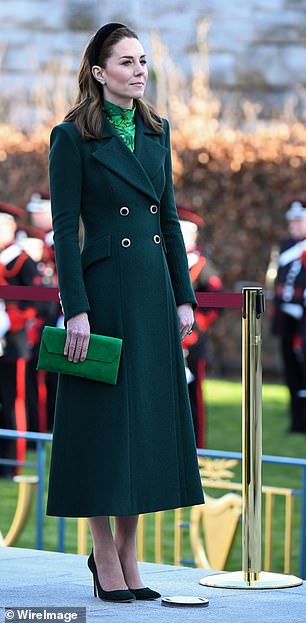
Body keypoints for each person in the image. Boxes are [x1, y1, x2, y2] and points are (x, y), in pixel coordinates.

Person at [46, 23, 204, 603]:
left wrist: (183, 295)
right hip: (103, 293)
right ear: (99, 70)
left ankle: (130, 554)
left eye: (144, 61)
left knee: (141, 426)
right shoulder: (70, 136)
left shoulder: (158, 131)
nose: (140, 71)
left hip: (153, 293)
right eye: (127, 61)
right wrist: (76, 309)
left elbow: (167, 220)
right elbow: (64, 232)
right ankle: (103, 554)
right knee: (100, 425)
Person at [0, 202, 40, 477]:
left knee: (13, 401)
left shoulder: (23, 260)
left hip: (13, 341)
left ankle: (14, 463)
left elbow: (40, 304)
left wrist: (11, 321)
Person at [178, 206, 223, 448]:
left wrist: (198, 327)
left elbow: (217, 302)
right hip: (167, 338)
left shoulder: (202, 264)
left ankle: (197, 445)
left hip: (193, 342)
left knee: (193, 395)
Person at [272, 199, 306, 433]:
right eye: (291, 221)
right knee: (291, 374)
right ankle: (296, 421)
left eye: (299, 220)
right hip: (287, 319)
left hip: (304, 320)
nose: (293, 225)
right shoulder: (285, 247)